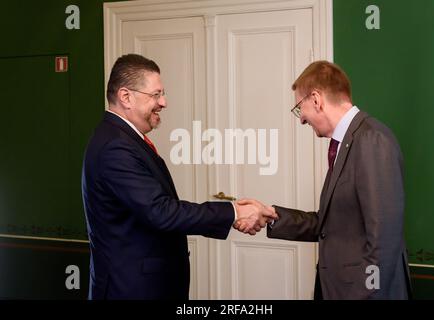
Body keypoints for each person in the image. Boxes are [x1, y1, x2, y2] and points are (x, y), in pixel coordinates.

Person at [81, 53, 277, 300]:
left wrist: (234, 212)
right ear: (125, 97)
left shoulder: (124, 140)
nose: (163, 102)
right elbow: (161, 212)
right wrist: (234, 212)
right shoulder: (115, 147)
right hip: (131, 290)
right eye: (156, 94)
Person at [236, 61, 412, 299]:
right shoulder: (345, 143)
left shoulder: (371, 140)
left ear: (316, 99)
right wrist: (270, 215)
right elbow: (330, 224)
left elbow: (384, 242)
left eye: (299, 108)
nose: (300, 119)